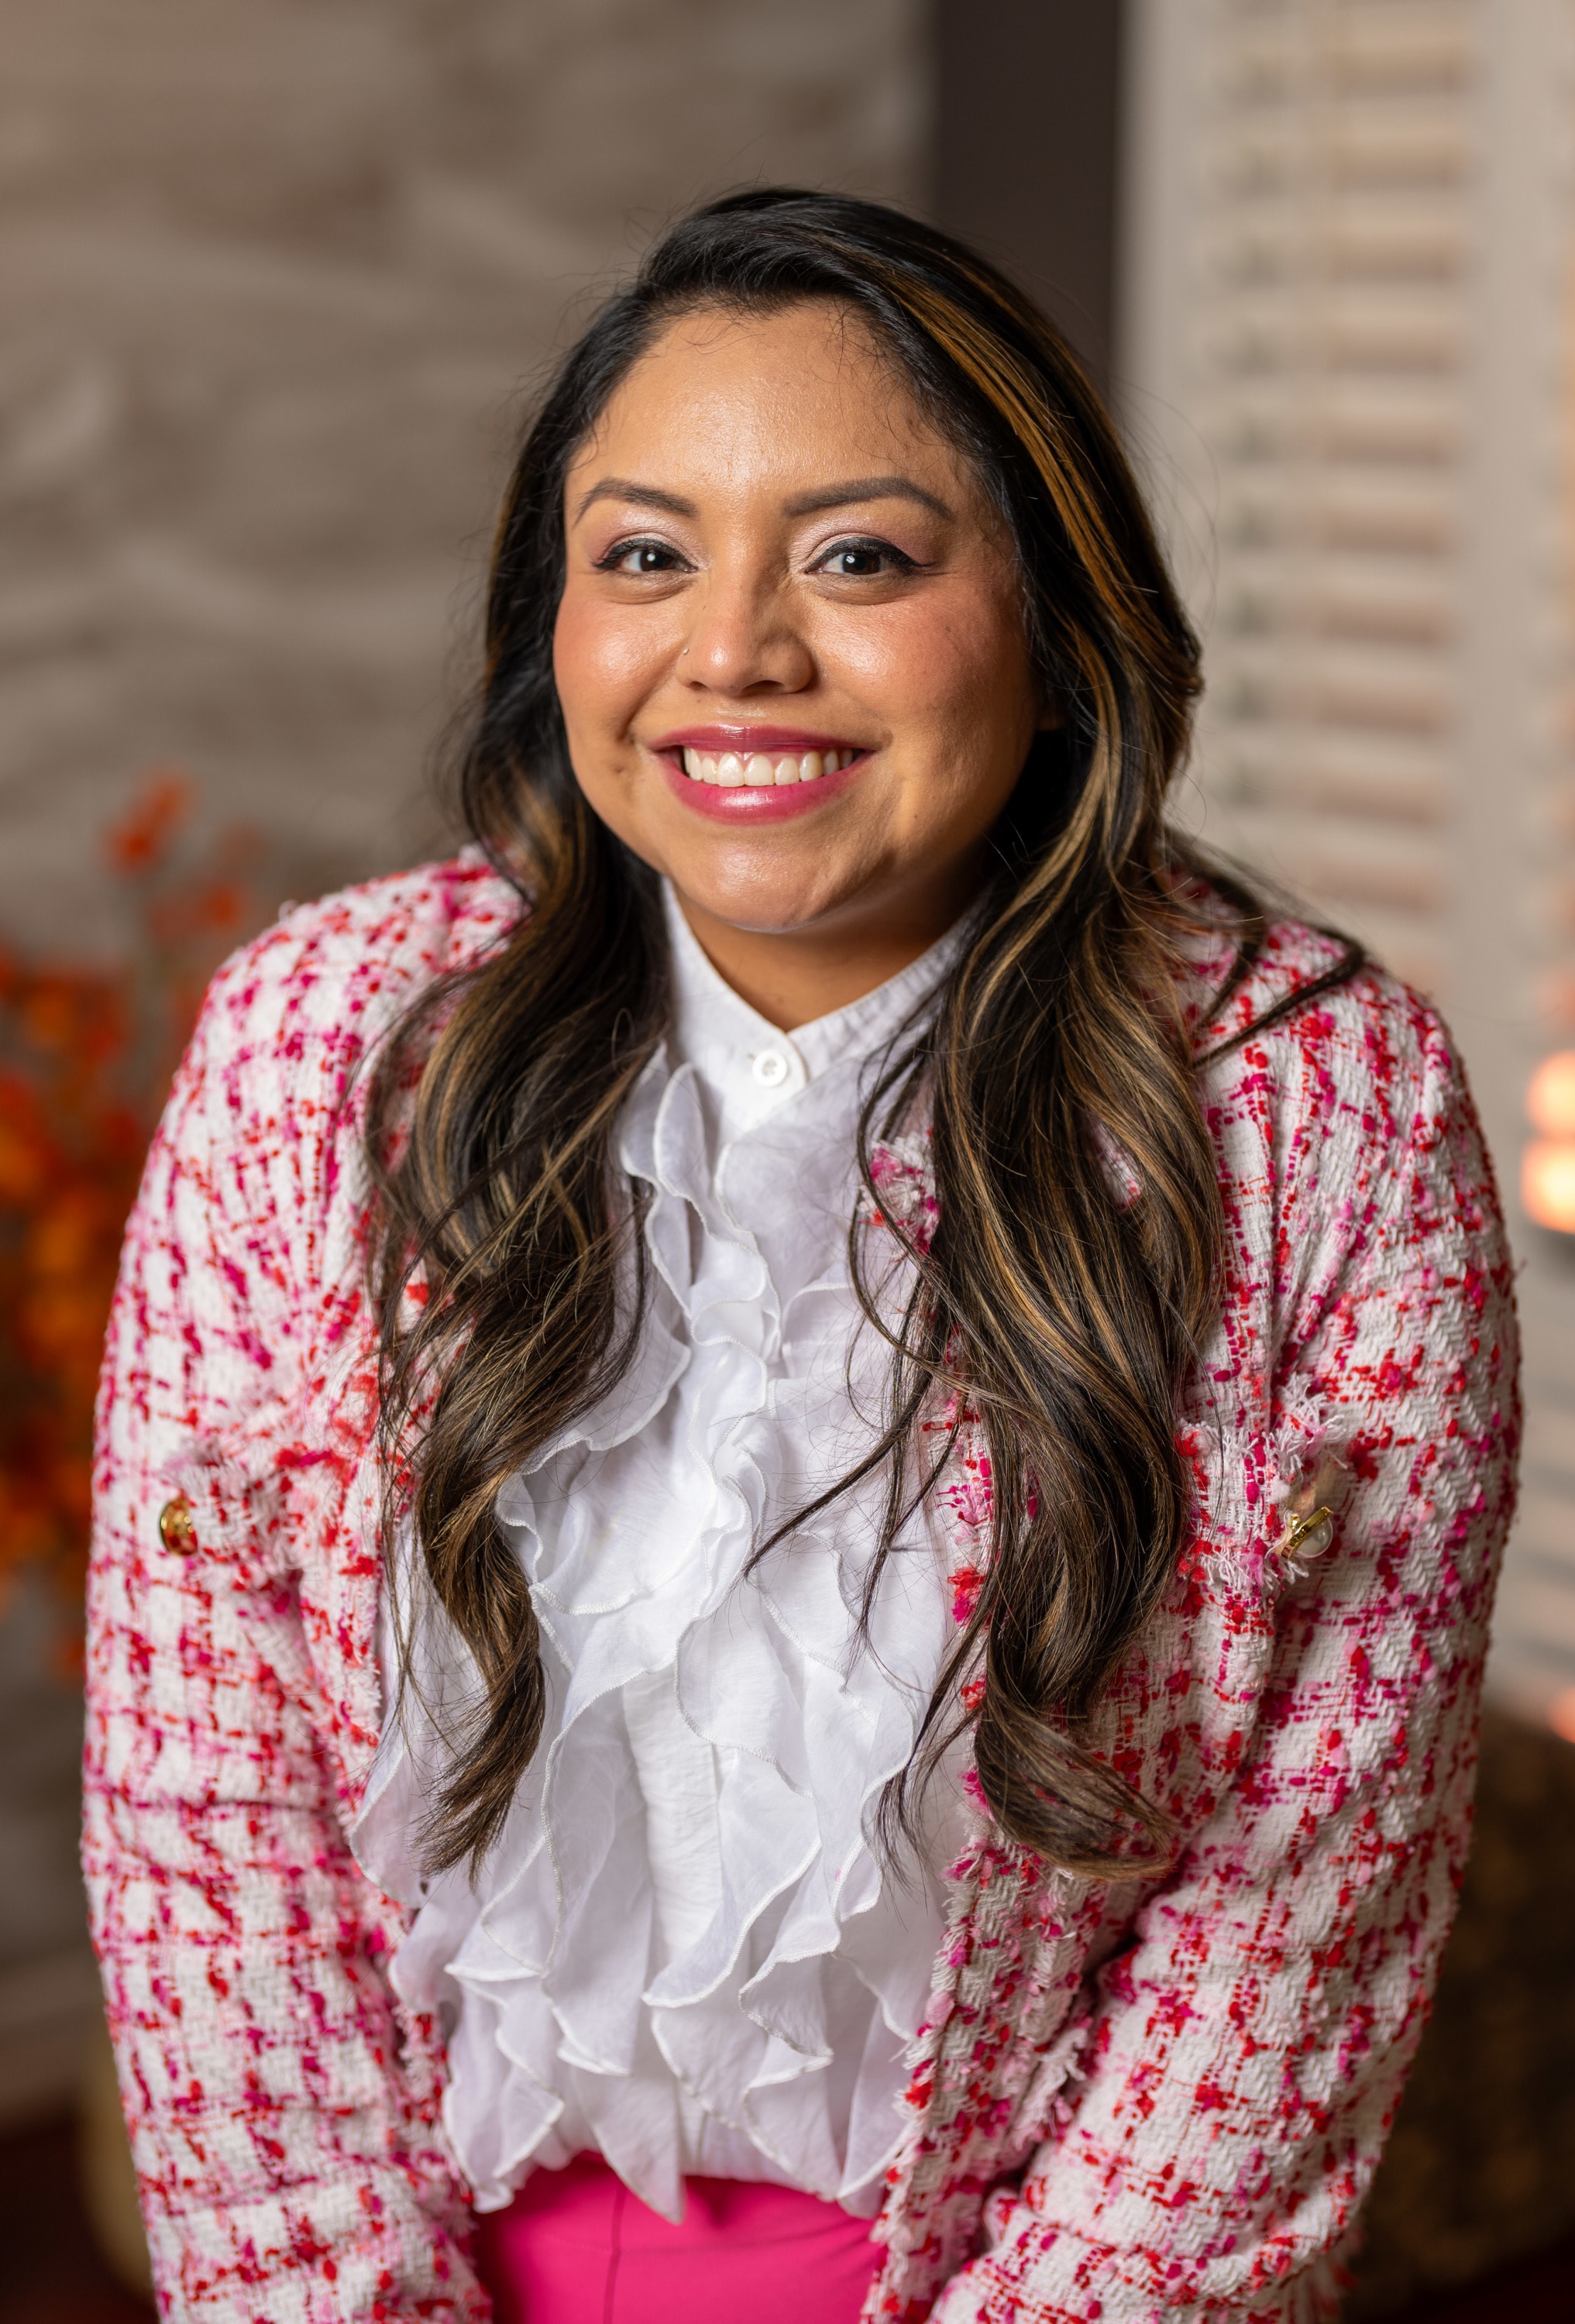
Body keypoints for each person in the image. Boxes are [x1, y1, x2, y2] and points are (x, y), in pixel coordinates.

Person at [84, 190, 1519, 2324]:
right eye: (642, 553)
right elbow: (206, 1809)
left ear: (1049, 619)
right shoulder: (327, 1047)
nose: (732, 648)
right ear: (547, 621)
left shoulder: (1317, 1104)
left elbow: (1299, 1900)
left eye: (858, 555)